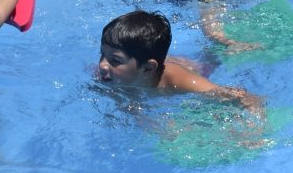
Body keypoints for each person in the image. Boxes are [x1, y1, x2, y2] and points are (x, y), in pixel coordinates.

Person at [95, 10, 261, 109]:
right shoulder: (105, 74)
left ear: (147, 68)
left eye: (115, 60)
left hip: (196, 69)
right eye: (102, 54)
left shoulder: (177, 81)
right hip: (161, 60)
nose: (102, 65)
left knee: (215, 57)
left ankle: (232, 45)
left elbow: (245, 98)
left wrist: (255, 132)